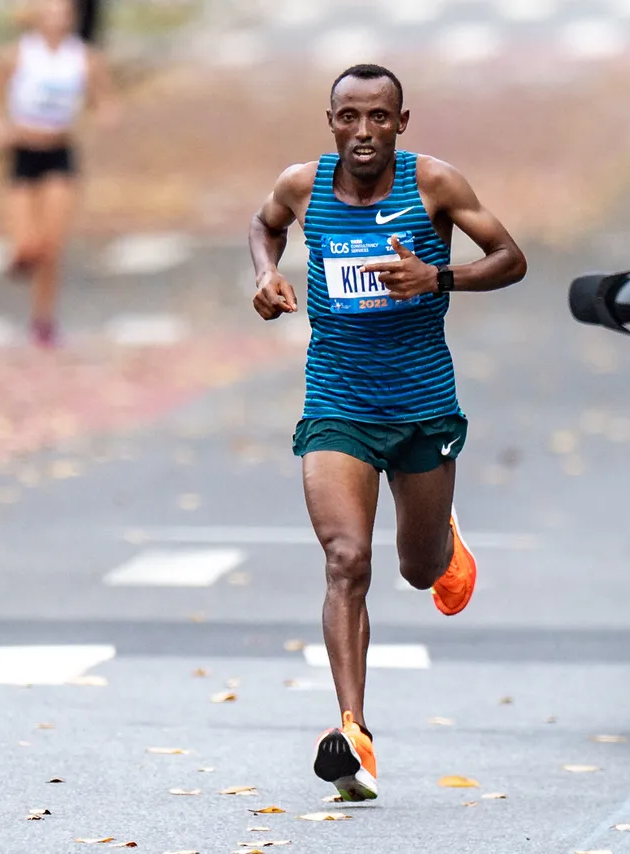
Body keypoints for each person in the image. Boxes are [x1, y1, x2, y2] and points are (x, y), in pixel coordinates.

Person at [247, 63, 528, 803]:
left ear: (402, 124)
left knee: (416, 568)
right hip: (336, 401)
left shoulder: (434, 184)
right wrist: (266, 275)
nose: (363, 131)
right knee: (346, 560)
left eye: (379, 117)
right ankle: (354, 734)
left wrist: (438, 279)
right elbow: (263, 225)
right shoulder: (302, 187)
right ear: (331, 120)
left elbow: (511, 259)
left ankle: (444, 544)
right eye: (349, 117)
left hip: (422, 406)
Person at [0, 0, 117, 348]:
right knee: (27, 246)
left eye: (64, 14)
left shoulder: (83, 57)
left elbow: (106, 101)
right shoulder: (17, 55)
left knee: (51, 246)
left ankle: (43, 319)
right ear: (38, 17)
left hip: (59, 154)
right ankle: (22, 256)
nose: (58, 20)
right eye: (51, 13)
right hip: (22, 154)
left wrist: (96, 119)